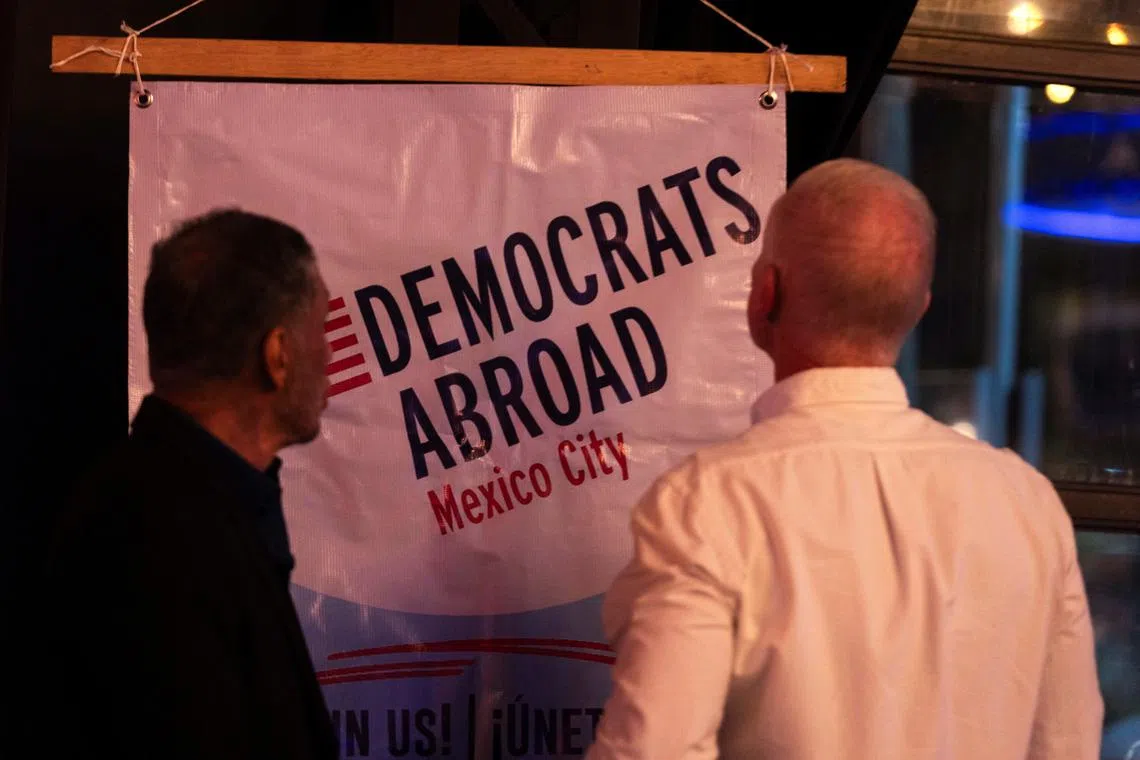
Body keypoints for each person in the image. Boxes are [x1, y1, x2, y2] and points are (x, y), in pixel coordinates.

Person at [587, 159, 1103, 760]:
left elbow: (653, 752)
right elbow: (1067, 744)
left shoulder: (705, 505)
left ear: (765, 293)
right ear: (918, 307)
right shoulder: (1027, 504)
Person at [44, 209, 339, 759]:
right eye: (322, 329)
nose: (331, 355)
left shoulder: (167, 506)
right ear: (277, 356)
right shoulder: (157, 543)